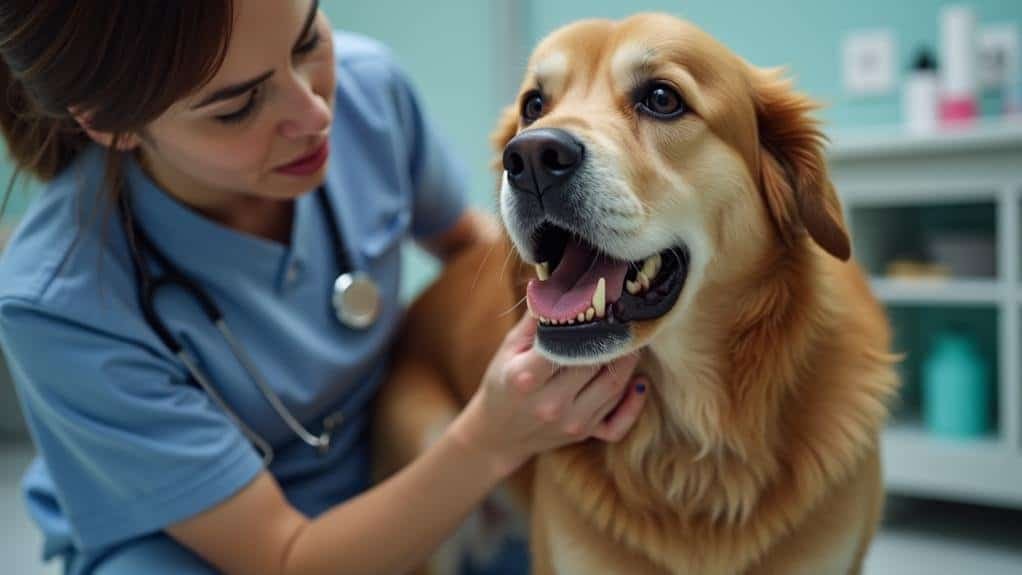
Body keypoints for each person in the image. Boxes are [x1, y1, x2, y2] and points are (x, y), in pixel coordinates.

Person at [0, 2, 649, 574]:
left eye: (308, 40)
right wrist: (494, 435)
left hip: (395, 457)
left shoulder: (370, 92)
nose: (313, 113)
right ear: (110, 125)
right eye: (238, 106)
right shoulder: (59, 300)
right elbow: (285, 558)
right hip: (206, 547)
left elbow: (469, 256)